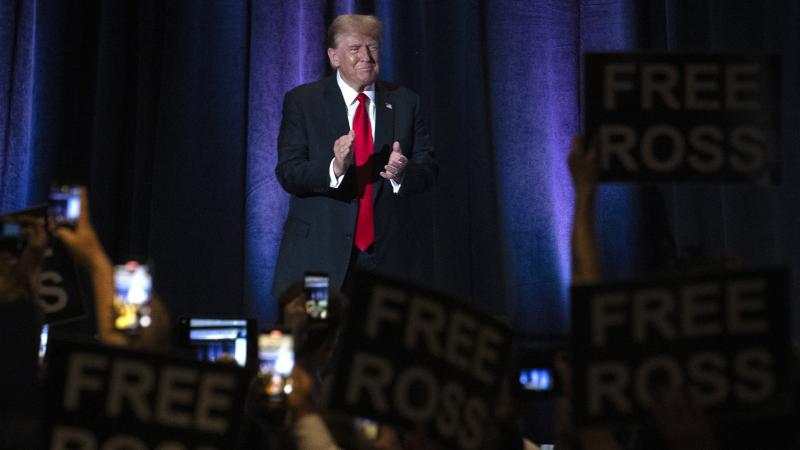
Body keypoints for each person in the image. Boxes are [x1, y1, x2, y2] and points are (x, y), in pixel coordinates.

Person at [272, 14, 437, 300]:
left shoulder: (406, 102)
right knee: (318, 336)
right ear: (334, 56)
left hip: (389, 261)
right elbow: (289, 172)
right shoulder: (303, 102)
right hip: (319, 258)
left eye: (372, 47)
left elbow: (429, 169)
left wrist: (402, 173)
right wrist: (334, 167)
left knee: (380, 342)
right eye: (355, 49)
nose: (366, 57)